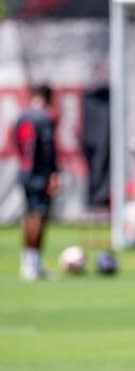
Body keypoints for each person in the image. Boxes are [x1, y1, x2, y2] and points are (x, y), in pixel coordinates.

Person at [14, 84, 60, 281]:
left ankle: (28, 262)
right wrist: (53, 174)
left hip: (24, 173)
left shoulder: (21, 117)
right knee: (39, 217)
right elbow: (48, 149)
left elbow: (18, 144)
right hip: (40, 175)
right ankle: (32, 265)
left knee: (29, 217)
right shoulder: (44, 119)